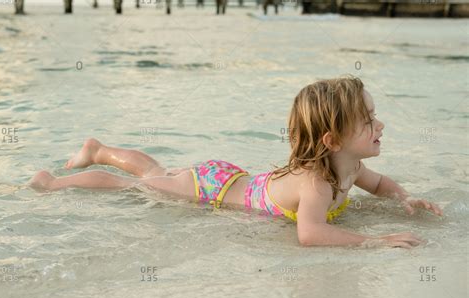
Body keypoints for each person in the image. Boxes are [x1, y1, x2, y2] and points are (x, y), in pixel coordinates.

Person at [29, 75, 443, 248]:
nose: (381, 124)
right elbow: (311, 234)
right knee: (140, 185)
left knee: (157, 173)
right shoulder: (316, 182)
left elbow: (381, 184)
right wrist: (375, 241)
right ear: (332, 140)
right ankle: (53, 182)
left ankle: (98, 149)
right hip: (214, 189)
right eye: (368, 120)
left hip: (233, 178)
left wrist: (405, 200)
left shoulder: (351, 167)